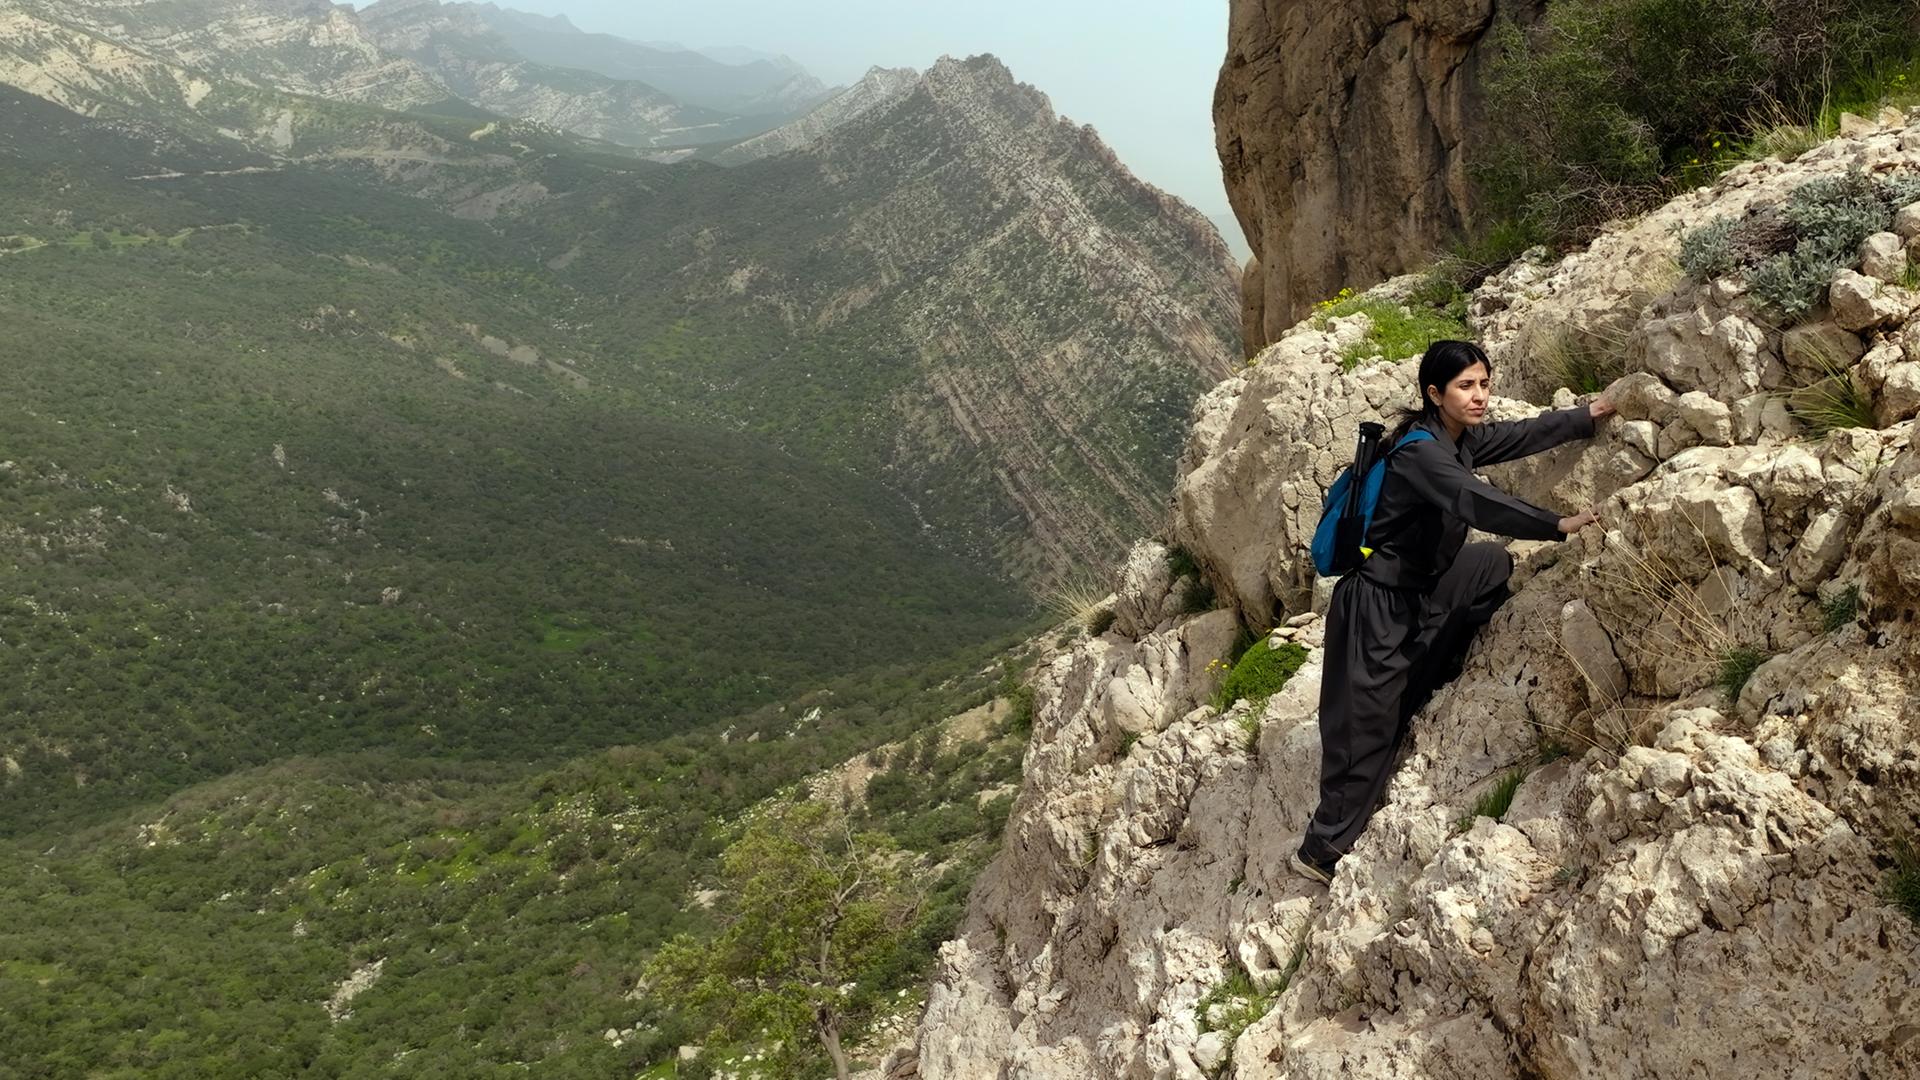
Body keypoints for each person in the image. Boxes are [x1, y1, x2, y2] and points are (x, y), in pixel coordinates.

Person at [1295, 339, 1616, 884]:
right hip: (1375, 604)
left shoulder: (1458, 438)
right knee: (1365, 731)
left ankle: (1424, 671)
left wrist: (1585, 417)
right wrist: (1555, 524)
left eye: (1484, 384)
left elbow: (1519, 435)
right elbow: (1474, 500)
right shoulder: (1421, 453)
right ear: (1434, 393)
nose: (1479, 396)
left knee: (1488, 564)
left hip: (1419, 589)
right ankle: (1322, 849)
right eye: (1466, 386)